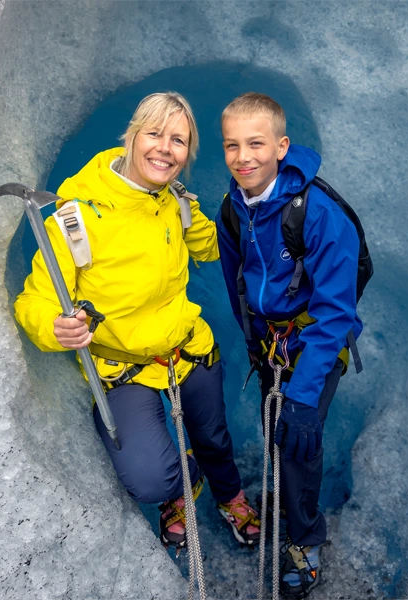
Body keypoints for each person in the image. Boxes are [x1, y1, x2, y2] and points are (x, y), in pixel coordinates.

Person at [14, 92, 259, 551]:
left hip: (187, 347)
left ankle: (230, 495)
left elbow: (213, 248)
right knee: (150, 478)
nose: (165, 148)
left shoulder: (176, 202)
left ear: (188, 154)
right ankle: (180, 487)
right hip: (122, 365)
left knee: (213, 437)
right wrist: (54, 326)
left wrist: (247, 205)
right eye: (154, 134)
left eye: (179, 141)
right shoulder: (76, 216)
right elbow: (37, 299)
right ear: (131, 136)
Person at [215, 92, 362, 598]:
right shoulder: (233, 209)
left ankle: (305, 539)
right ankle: (288, 497)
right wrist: (255, 343)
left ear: (281, 146)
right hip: (270, 343)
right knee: (277, 432)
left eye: (256, 143)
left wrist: (302, 392)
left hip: (317, 339)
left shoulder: (317, 214)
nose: (243, 157)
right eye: (232, 145)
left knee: (298, 439)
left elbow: (336, 312)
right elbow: (237, 285)